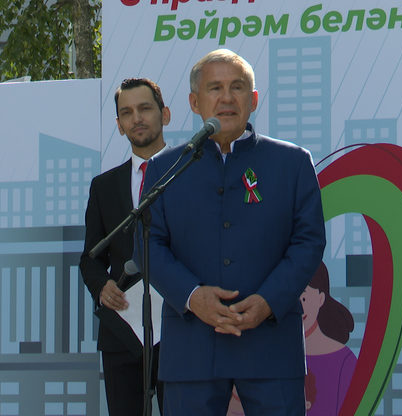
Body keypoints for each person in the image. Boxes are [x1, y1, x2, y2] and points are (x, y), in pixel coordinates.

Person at [137, 48, 326, 415]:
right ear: (195, 101)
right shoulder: (164, 168)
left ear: (253, 100)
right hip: (192, 346)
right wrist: (193, 296)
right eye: (215, 88)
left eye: (237, 87)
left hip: (270, 343)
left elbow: (308, 241)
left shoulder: (292, 162)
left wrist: (268, 301)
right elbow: (147, 245)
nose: (226, 98)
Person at [80, 77, 171, 415]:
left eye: (145, 108)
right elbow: (90, 257)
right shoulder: (104, 186)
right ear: (119, 125)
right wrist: (101, 286)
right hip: (122, 330)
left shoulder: (191, 172)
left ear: (166, 113)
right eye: (127, 112)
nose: (137, 118)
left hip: (181, 326)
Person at [300, 262, 356, 416]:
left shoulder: (345, 361)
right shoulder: (271, 354)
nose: (297, 307)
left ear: (320, 299)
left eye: (303, 298)